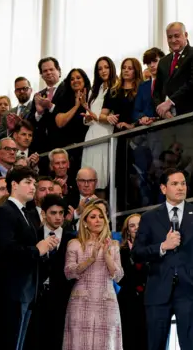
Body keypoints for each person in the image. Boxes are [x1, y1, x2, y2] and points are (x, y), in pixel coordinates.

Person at [132, 168, 193, 350]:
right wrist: (162, 247)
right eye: (175, 184)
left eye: (183, 183)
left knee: (190, 346)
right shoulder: (149, 218)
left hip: (191, 291)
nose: (180, 187)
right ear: (163, 188)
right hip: (157, 291)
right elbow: (137, 253)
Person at [0, 166, 60, 350]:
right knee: (10, 342)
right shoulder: (5, 211)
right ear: (14, 184)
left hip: (27, 289)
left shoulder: (27, 214)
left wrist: (44, 249)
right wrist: (37, 250)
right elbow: (5, 250)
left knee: (19, 343)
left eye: (34, 183)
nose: (33, 187)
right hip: (13, 289)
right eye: (28, 182)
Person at [63, 204, 124, 350]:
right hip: (81, 300)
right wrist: (91, 258)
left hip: (107, 300)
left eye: (101, 217)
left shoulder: (114, 244)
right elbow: (69, 272)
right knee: (79, 342)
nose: (98, 220)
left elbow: (118, 276)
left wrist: (107, 255)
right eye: (93, 217)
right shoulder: (75, 244)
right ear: (84, 222)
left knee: (107, 343)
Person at [26, 194, 77, 350]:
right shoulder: (33, 235)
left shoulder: (72, 238)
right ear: (43, 213)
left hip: (62, 297)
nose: (58, 217)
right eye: (53, 213)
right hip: (36, 297)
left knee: (58, 339)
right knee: (35, 339)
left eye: (61, 213)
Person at [154, 22, 193, 118]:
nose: (173, 40)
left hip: (190, 115)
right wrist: (161, 109)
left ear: (186, 35)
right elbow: (157, 90)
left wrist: (171, 102)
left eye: (177, 36)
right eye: (170, 37)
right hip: (166, 119)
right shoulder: (163, 61)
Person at [81, 56, 119, 189]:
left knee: (101, 176)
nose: (103, 71)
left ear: (112, 68)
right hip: (91, 133)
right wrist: (87, 118)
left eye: (106, 67)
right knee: (88, 173)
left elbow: (110, 116)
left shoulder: (116, 87)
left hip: (105, 132)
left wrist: (96, 116)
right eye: (100, 69)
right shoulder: (94, 90)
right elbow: (88, 115)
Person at [118, 213, 148, 350]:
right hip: (128, 302)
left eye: (140, 224)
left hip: (149, 301)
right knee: (129, 341)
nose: (136, 228)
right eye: (132, 225)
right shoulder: (121, 251)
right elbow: (121, 279)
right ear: (127, 230)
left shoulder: (154, 248)